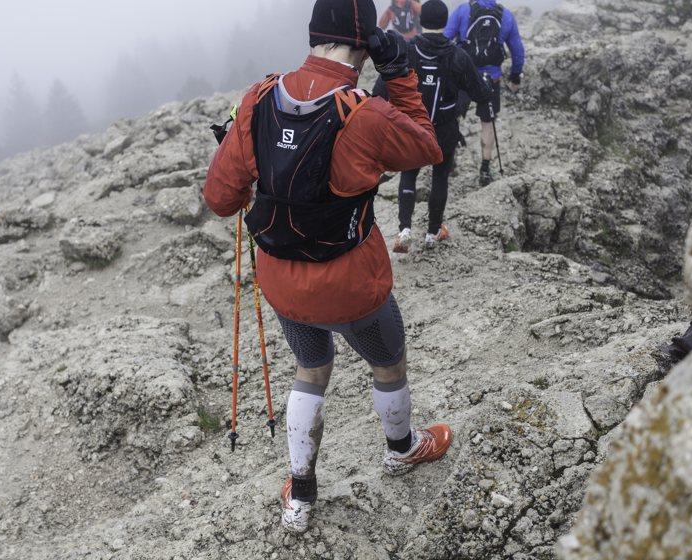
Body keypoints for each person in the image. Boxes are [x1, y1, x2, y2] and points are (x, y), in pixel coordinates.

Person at [203, 0, 453, 534]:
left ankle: (301, 495)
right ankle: (401, 449)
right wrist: (400, 72)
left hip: (283, 282)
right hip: (353, 286)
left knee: (310, 370)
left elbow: (222, 200)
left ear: (314, 34)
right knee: (388, 363)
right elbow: (428, 147)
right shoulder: (365, 112)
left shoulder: (259, 98)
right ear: (366, 43)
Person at [374, 0, 495, 252]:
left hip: (412, 125)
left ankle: (404, 230)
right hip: (445, 128)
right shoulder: (458, 55)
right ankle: (433, 232)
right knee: (440, 177)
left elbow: (380, 89)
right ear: (444, 22)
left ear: (422, 21)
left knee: (409, 173)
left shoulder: (407, 51)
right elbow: (480, 92)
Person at [445, 0, 525, 186]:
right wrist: (515, 76)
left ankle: (449, 162)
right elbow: (517, 49)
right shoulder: (506, 15)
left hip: (463, 76)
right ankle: (485, 169)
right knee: (487, 122)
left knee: (453, 117)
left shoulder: (463, 10)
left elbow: (446, 39)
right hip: (491, 78)